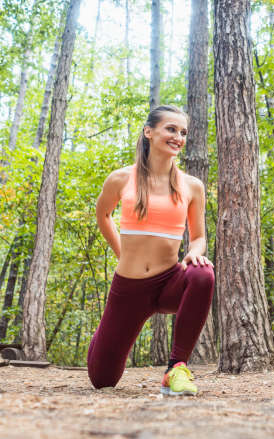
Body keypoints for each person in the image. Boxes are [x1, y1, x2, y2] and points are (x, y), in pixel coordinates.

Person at [87, 105, 214, 396]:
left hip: (169, 282)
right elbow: (102, 215)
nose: (178, 137)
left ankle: (176, 368)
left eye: (183, 132)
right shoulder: (121, 178)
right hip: (128, 289)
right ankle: (102, 335)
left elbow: (199, 237)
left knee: (203, 273)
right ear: (149, 132)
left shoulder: (192, 186)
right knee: (102, 380)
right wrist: (123, 255)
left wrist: (195, 252)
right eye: (171, 129)